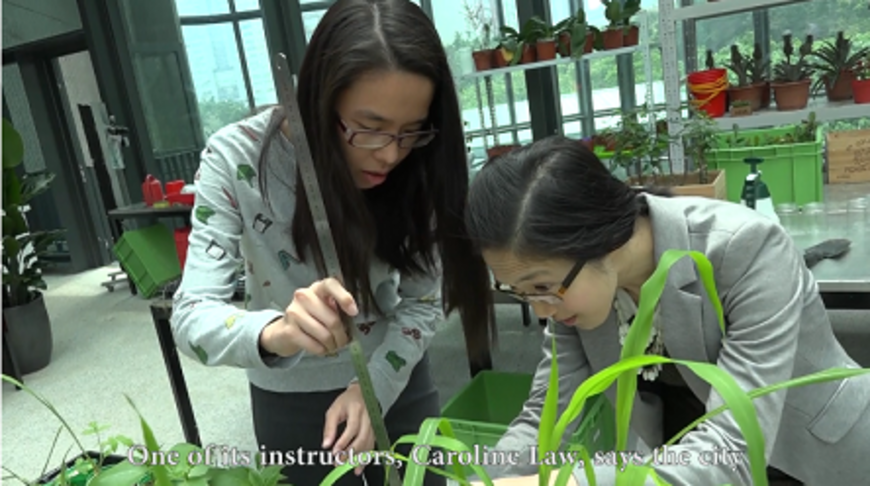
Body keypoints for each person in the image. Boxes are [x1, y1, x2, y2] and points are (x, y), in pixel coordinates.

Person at [170, 1, 494, 485]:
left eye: (410, 131)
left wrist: (374, 388)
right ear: (320, 100)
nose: (389, 154)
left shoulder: (419, 164)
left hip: (397, 377)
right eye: (369, 129)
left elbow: (424, 301)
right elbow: (191, 315)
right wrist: (277, 332)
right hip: (288, 399)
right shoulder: (234, 160)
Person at [462, 135, 870, 486]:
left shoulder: (746, 248)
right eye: (519, 292)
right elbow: (545, 418)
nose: (542, 311)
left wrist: (565, 480)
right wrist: (482, 476)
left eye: (541, 287)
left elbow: (734, 447)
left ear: (600, 239)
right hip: (684, 452)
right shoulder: (566, 296)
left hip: (807, 451)